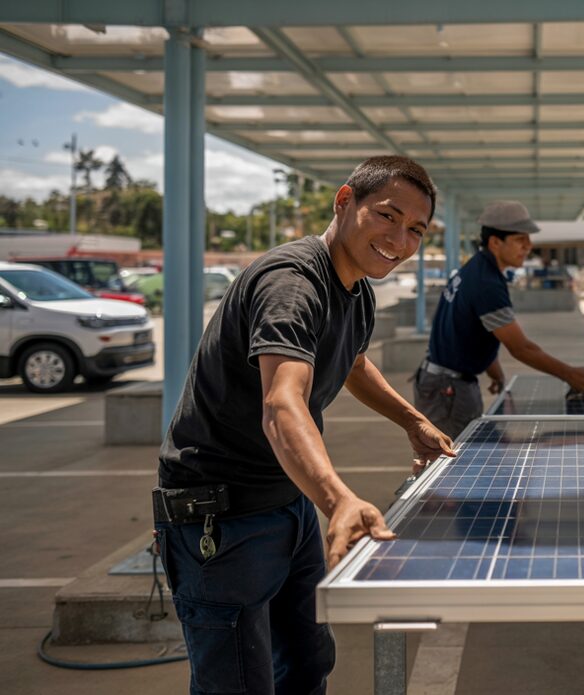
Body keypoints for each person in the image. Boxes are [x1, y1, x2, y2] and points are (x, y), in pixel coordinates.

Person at [154, 156, 456, 695]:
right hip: (221, 520)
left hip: (286, 502)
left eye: (416, 229)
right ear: (344, 202)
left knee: (308, 662)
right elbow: (282, 403)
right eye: (387, 216)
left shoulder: (355, 289)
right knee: (239, 683)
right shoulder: (292, 284)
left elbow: (352, 360)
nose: (400, 239)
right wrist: (339, 499)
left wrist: (412, 421)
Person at [415, 200, 584, 441]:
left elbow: (475, 329)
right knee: (456, 463)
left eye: (528, 239)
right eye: (519, 239)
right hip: (448, 390)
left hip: (445, 382)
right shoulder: (487, 283)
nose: (528, 246)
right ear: (495, 242)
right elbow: (521, 348)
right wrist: (569, 374)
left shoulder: (477, 269)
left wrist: (494, 370)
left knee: (472, 459)